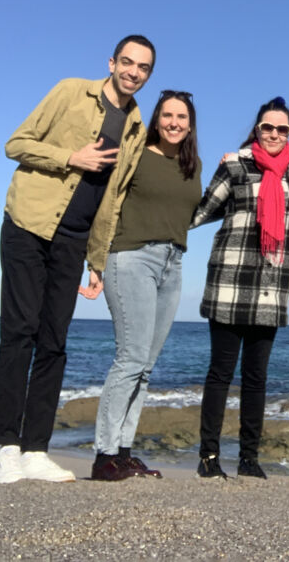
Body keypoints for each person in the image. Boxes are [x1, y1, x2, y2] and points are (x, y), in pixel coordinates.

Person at [0, 35, 155, 484]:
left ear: (147, 75)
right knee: (19, 332)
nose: (133, 72)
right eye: (127, 62)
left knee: (54, 342)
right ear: (112, 62)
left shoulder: (137, 127)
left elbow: (114, 198)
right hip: (29, 223)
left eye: (142, 67)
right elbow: (16, 143)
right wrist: (71, 157)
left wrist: (96, 260)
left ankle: (35, 450)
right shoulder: (70, 91)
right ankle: (6, 447)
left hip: (74, 241)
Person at [82, 90, 202, 481]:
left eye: (181, 117)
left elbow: (188, 212)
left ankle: (124, 451)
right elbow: (109, 203)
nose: (174, 123)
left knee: (146, 367)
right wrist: (96, 260)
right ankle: (104, 456)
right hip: (131, 257)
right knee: (130, 358)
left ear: (190, 123)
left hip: (173, 263)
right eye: (167, 115)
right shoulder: (136, 153)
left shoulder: (192, 164)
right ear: (157, 119)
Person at [193, 97, 289, 479]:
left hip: (271, 286)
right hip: (230, 279)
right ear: (257, 129)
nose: (274, 134)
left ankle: (249, 458)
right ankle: (209, 457)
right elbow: (200, 212)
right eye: (267, 127)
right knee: (220, 373)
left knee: (257, 378)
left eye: (282, 129)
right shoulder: (235, 163)